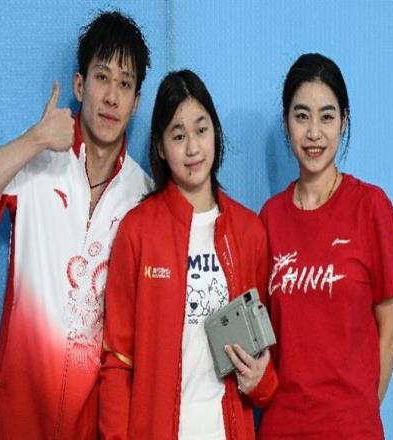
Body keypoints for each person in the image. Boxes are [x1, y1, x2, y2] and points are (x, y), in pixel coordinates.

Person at [0, 11, 151, 440]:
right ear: (80, 85)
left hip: (91, 425)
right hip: (16, 417)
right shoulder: (37, 160)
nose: (111, 97)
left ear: (136, 102)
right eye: (102, 77)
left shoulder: (143, 195)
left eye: (125, 84)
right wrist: (37, 139)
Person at [99, 69, 278, 439]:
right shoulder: (138, 230)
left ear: (216, 133)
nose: (193, 148)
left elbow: (264, 360)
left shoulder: (249, 232)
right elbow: (118, 359)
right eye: (178, 136)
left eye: (201, 130)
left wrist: (261, 381)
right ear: (161, 148)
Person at [257, 53, 393, 439]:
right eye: (301, 116)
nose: (314, 133)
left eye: (326, 116)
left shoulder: (371, 207)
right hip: (282, 426)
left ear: (344, 121)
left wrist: (361, 411)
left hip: (351, 428)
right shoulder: (270, 217)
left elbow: (392, 331)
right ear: (286, 123)